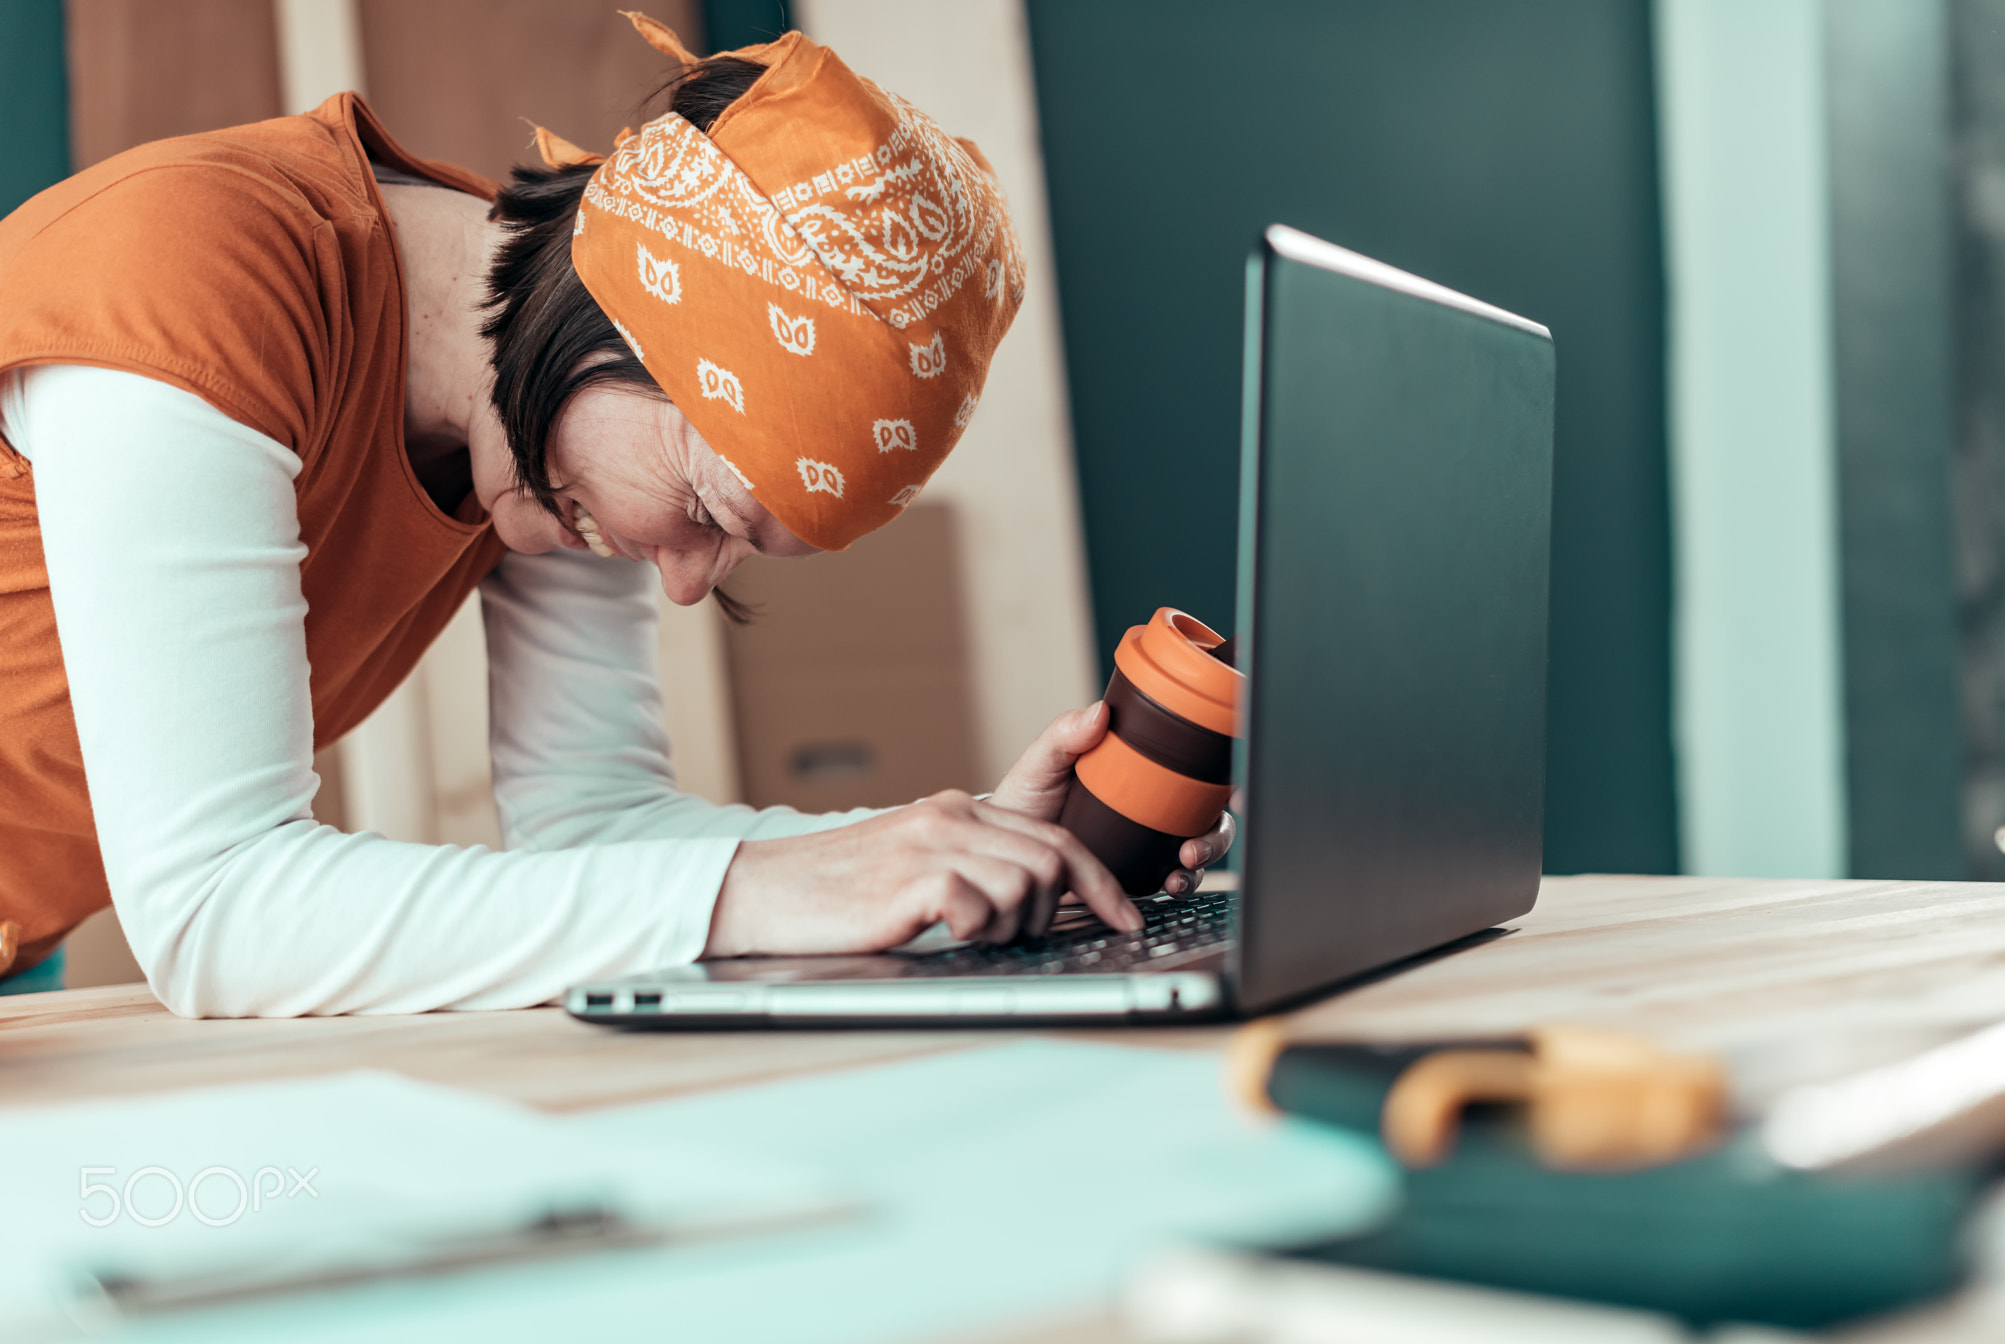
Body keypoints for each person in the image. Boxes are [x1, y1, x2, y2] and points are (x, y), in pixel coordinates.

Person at [0, 16, 1232, 1014]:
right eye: (704, 502)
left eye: (734, 546)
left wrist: (944, 851)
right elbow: (221, 910)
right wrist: (768, 890)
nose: (682, 581)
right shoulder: (195, 276)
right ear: (615, 322)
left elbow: (597, 827)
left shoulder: (543, 422)